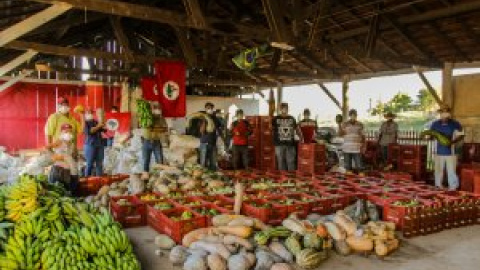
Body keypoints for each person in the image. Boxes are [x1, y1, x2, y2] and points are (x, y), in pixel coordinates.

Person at [430, 105, 464, 190]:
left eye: (446, 112)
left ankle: (453, 187)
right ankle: (438, 186)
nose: (444, 114)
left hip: (451, 152)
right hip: (438, 151)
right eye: (442, 112)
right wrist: (430, 136)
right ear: (440, 114)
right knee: (438, 170)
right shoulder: (435, 124)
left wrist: (452, 142)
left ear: (449, 114)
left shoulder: (455, 124)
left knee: (451, 171)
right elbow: (431, 135)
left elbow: (461, 135)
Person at [46, 123, 79, 194]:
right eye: (66, 132)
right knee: (55, 191)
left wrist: (76, 157)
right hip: (58, 171)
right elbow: (47, 148)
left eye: (70, 131)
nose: (68, 133)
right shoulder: (59, 141)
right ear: (61, 132)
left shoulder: (72, 144)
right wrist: (54, 156)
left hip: (68, 172)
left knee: (67, 192)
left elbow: (72, 155)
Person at [272, 103, 303, 171]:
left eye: (286, 108)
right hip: (279, 144)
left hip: (290, 144)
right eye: (283, 108)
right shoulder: (275, 118)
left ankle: (291, 177)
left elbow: (297, 129)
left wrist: (301, 137)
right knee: (281, 162)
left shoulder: (292, 118)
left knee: (291, 161)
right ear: (280, 109)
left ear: (288, 109)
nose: (285, 110)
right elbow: (270, 127)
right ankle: (283, 178)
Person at [141, 102, 169, 173]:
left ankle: (160, 178)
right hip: (146, 142)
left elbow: (165, 129)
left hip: (156, 142)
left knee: (159, 162)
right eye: (155, 108)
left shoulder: (161, 119)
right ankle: (146, 178)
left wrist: (154, 129)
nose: (157, 109)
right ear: (151, 109)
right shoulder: (146, 117)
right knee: (145, 162)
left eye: (158, 108)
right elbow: (143, 126)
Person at [199, 102, 223, 171]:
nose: (210, 109)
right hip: (204, 142)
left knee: (213, 163)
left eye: (211, 108)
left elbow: (219, 129)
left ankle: (212, 176)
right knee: (203, 163)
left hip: (213, 143)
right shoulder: (202, 117)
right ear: (205, 109)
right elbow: (201, 131)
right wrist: (204, 121)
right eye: (208, 108)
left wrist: (222, 139)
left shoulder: (215, 118)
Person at [83, 108, 106, 176]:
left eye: (91, 112)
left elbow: (104, 130)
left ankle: (99, 180)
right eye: (88, 112)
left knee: (99, 163)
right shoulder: (85, 123)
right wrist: (99, 126)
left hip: (100, 144)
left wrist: (103, 120)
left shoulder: (96, 122)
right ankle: (86, 180)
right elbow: (90, 132)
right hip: (90, 145)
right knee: (89, 163)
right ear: (85, 114)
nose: (90, 114)